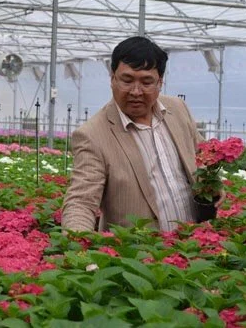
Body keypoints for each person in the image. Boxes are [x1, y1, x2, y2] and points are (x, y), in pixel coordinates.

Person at [61, 36, 203, 232]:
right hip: (139, 255)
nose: (136, 92)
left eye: (147, 82)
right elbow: (81, 201)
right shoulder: (92, 135)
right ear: (112, 79)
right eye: (127, 80)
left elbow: (203, 157)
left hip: (194, 247)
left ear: (160, 82)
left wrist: (212, 186)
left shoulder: (177, 110)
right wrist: (78, 248)